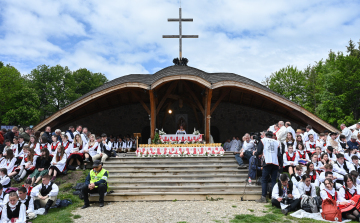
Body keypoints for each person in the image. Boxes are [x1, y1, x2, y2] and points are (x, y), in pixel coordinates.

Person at [255, 131, 279, 203]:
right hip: (275, 162)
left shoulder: (263, 140)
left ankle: (263, 197)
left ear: (265, 135)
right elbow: (279, 154)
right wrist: (280, 164)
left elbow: (259, 151)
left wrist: (255, 153)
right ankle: (273, 196)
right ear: (272, 136)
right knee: (273, 180)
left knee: (264, 180)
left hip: (267, 161)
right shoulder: (276, 142)